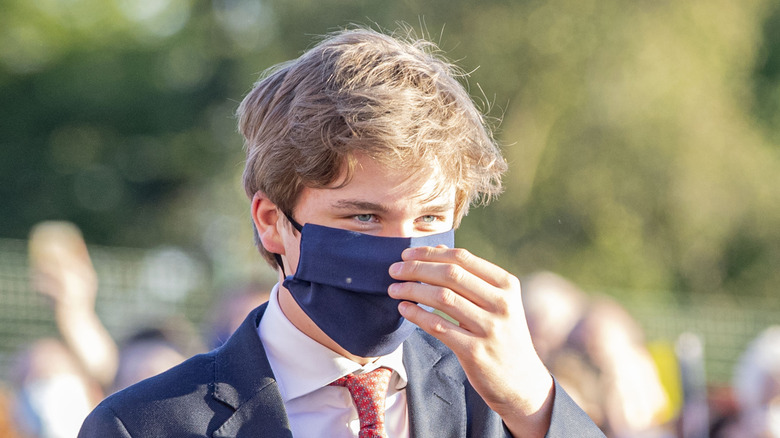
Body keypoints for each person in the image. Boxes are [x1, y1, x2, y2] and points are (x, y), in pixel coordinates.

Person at [78, 26, 604, 437]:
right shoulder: (143, 425)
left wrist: (534, 404)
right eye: (364, 218)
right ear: (271, 223)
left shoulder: (494, 405)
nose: (402, 251)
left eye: (429, 220)